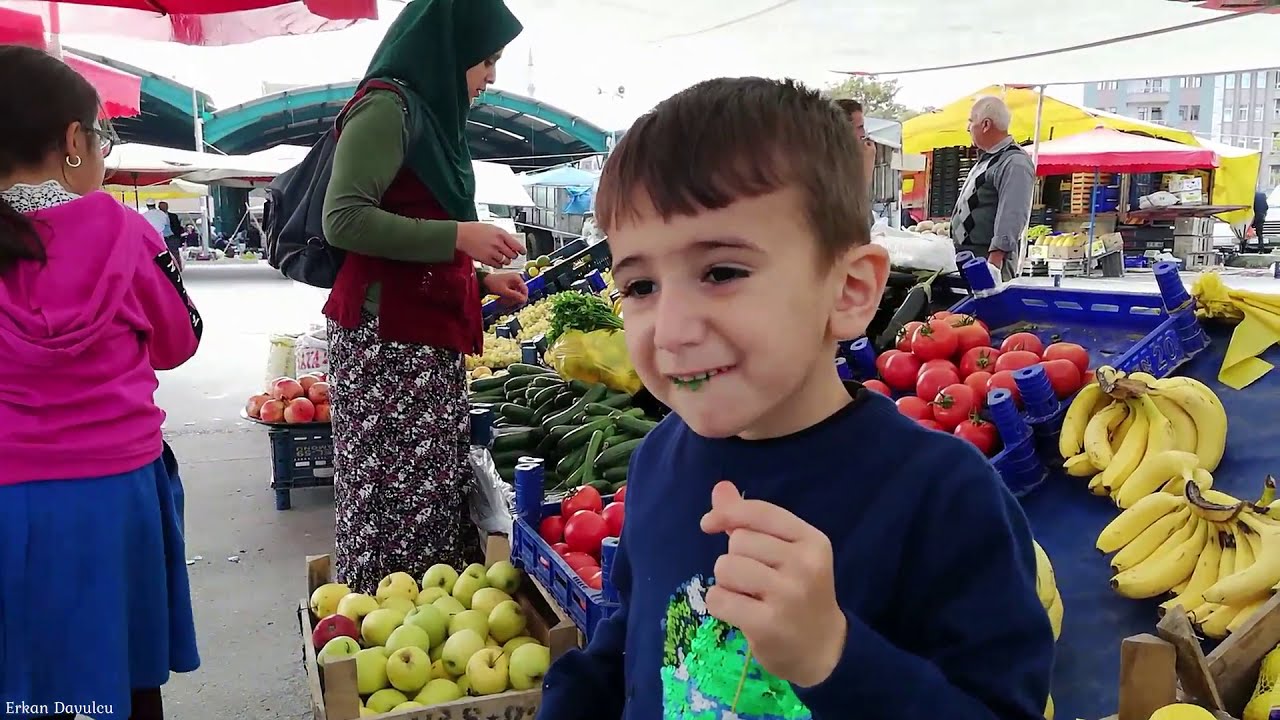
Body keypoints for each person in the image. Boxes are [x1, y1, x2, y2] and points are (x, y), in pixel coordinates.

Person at [537, 77, 1053, 720]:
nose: (670, 329)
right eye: (639, 286)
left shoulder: (945, 498)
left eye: (721, 272)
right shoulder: (658, 461)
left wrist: (832, 655)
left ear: (849, 291)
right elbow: (626, 647)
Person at [0, 45, 202, 720]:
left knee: (20, 683)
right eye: (103, 138)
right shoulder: (125, 230)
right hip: (116, 501)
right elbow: (177, 343)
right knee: (125, 681)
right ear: (71, 141)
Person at [320, 0, 529, 594]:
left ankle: (422, 622)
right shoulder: (388, 107)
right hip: (385, 346)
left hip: (422, 338)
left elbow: (413, 225)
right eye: (485, 60)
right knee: (390, 498)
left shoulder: (434, 118)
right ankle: (378, 622)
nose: (491, 75)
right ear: (448, 51)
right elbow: (345, 220)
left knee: (430, 492)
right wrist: (461, 237)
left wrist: (480, 280)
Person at [950, 95, 1035, 281]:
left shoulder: (1014, 162)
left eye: (971, 121)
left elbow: (1012, 213)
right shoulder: (988, 158)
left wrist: (995, 262)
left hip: (988, 261)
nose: (968, 127)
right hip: (970, 257)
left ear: (986, 125)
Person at [1250, 189, 1269, 253]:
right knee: (1260, 234)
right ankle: (1261, 249)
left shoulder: (1251, 196)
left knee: (1246, 231)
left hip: (1252, 216)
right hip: (1260, 217)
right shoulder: (1262, 195)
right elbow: (1266, 207)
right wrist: (1264, 214)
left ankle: (1243, 248)